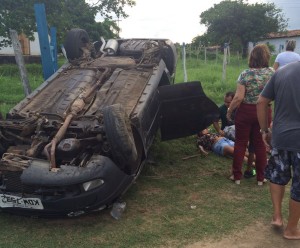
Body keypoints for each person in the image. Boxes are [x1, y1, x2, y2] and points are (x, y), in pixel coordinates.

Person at [257, 61, 300, 239]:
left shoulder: (282, 71)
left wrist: (264, 130)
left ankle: (277, 216)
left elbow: (261, 102)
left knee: (277, 175)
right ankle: (291, 229)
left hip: (281, 136)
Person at [226, 44, 273, 185]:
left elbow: (239, 97)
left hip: (245, 111)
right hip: (264, 111)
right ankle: (261, 177)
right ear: (266, 57)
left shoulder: (245, 74)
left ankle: (237, 176)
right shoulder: (272, 73)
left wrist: (229, 111)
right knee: (260, 144)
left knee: (240, 143)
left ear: (252, 57)